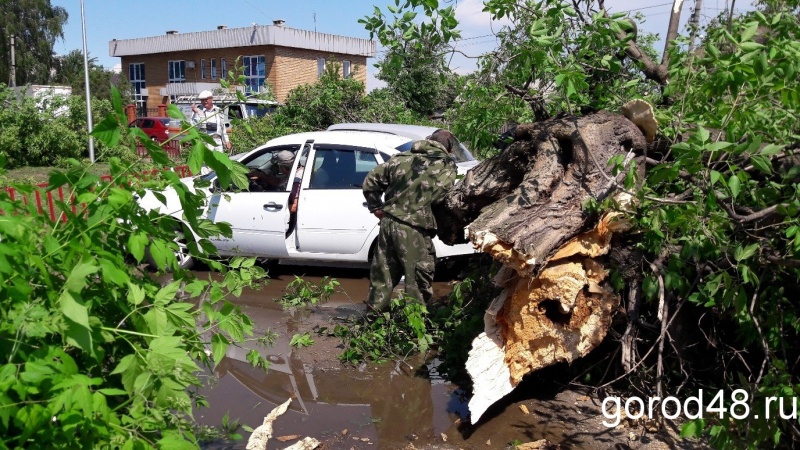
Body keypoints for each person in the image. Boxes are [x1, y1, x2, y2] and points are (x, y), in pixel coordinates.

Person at [362, 129, 458, 312]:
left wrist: (376, 208)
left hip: (388, 224)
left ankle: (373, 323)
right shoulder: (445, 164)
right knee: (417, 280)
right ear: (450, 148)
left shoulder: (399, 158)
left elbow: (370, 182)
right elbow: (440, 197)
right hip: (415, 227)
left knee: (383, 276)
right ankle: (415, 329)